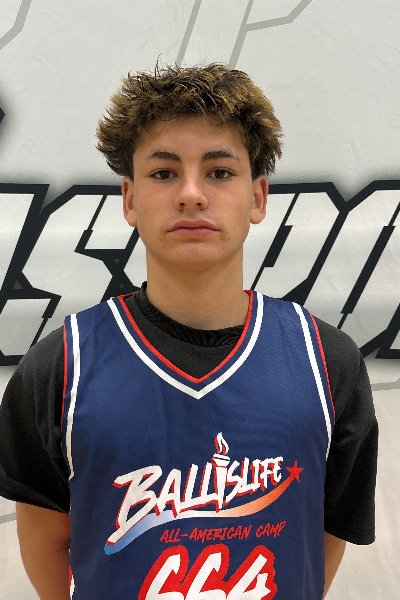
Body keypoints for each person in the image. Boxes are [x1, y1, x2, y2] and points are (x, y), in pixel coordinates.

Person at [0, 63, 378, 600]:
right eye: (163, 173)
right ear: (130, 199)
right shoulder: (61, 368)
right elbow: (47, 543)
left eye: (220, 172)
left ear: (257, 198)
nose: (192, 194)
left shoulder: (327, 362)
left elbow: (322, 539)